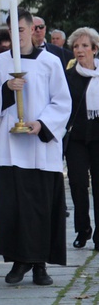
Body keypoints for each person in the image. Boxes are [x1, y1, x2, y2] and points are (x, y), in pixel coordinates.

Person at [0, 8, 70, 286]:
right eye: (11, 30)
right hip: (10, 147)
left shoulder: (50, 62)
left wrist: (42, 124)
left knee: (40, 207)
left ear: (32, 30)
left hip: (40, 148)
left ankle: (40, 264)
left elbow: (62, 101)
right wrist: (7, 87)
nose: (16, 35)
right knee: (13, 207)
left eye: (21, 30)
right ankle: (19, 262)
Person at [64, 27, 99, 249]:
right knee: (77, 184)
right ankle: (83, 229)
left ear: (95, 49)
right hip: (76, 137)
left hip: (98, 137)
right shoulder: (68, 76)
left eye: (85, 46)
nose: (80, 50)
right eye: (76, 46)